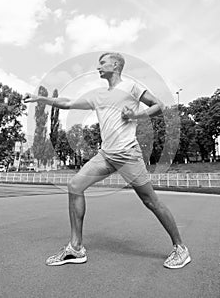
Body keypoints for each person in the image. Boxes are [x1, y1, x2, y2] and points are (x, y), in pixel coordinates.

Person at [24, 52, 191, 269]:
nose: (98, 67)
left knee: (150, 201)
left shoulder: (131, 87)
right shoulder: (98, 95)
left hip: (128, 155)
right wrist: (41, 99)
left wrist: (136, 116)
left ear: (116, 64)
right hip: (106, 155)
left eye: (102, 63)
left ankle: (180, 248)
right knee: (74, 185)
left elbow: (158, 105)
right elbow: (67, 103)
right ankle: (75, 248)